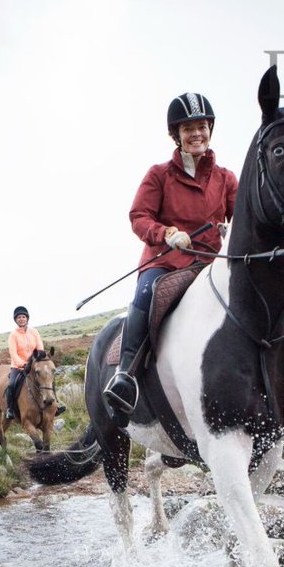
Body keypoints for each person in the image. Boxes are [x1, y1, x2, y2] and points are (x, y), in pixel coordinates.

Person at [102, 92, 237, 426]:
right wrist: (166, 233)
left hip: (211, 264)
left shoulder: (226, 179)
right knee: (146, 295)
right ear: (176, 135)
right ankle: (126, 376)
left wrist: (230, 229)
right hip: (166, 264)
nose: (196, 134)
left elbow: (241, 219)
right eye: (188, 128)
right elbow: (139, 216)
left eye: (202, 127)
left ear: (210, 130)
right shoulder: (158, 175)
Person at [5, 306, 43, 421]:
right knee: (11, 385)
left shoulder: (34, 332)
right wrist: (22, 364)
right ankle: (10, 409)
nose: (21, 319)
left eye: (23, 317)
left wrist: (39, 358)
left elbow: (40, 347)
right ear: (16, 320)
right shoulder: (13, 335)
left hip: (34, 364)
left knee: (47, 378)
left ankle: (56, 404)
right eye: (19, 317)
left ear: (27, 318)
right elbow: (13, 353)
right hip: (19, 367)